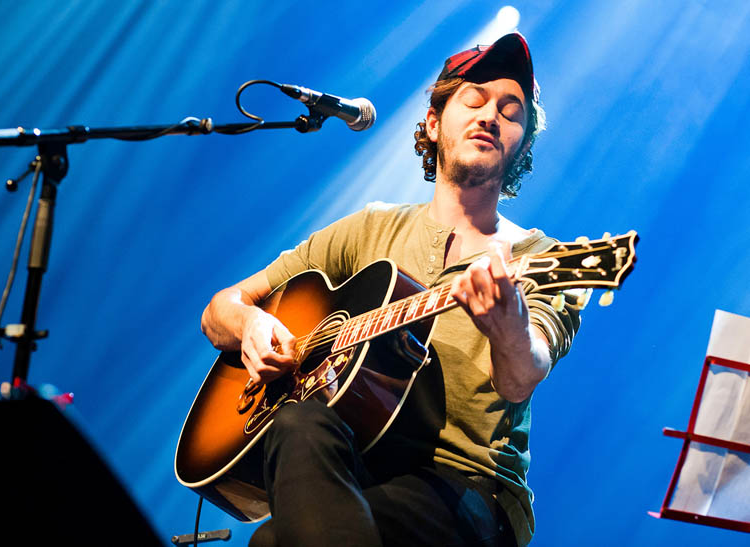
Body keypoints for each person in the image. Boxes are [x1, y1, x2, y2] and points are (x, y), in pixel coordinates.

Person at [201, 33, 580, 547]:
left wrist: (506, 324)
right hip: (357, 466)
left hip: (466, 488)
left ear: (522, 147)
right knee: (274, 519)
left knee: (280, 519)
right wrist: (252, 324)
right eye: (474, 99)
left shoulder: (543, 259)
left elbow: (521, 379)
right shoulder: (370, 229)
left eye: (511, 112)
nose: (491, 115)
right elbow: (220, 309)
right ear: (432, 122)